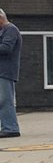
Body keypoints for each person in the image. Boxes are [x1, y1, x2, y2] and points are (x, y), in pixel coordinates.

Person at [0, 8, 22, 138]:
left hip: (5, 71)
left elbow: (6, 48)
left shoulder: (11, 30)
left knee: (5, 100)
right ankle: (7, 126)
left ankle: (10, 128)